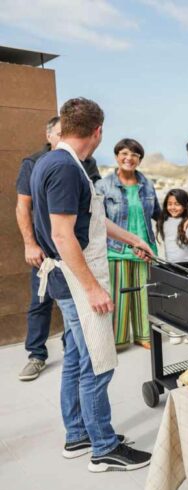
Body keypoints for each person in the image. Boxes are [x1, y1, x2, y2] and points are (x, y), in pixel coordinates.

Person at [31, 97, 153, 472]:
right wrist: (94, 289)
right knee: (98, 363)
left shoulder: (56, 162)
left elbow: (93, 221)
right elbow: (63, 236)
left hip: (66, 281)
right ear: (98, 132)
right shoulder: (67, 169)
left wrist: (131, 239)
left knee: (75, 360)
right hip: (78, 283)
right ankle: (103, 447)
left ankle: (78, 434)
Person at [96, 139, 161, 350]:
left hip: (144, 250)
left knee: (144, 295)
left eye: (135, 155)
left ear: (139, 160)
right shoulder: (103, 185)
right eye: (124, 153)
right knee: (120, 296)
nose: (129, 158)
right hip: (116, 250)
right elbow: (97, 221)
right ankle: (117, 339)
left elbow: (158, 214)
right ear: (116, 156)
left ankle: (143, 336)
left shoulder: (148, 184)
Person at [15, 116, 64, 381]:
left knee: (77, 305)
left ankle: (75, 351)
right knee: (40, 303)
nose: (64, 138)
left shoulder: (85, 163)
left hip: (75, 250)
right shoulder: (33, 163)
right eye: (60, 133)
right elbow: (23, 206)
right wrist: (30, 244)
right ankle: (36, 355)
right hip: (44, 251)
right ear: (49, 136)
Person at [157, 189, 188, 263]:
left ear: (185, 205)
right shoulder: (164, 221)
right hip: (171, 264)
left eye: (177, 204)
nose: (173, 207)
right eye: (170, 204)